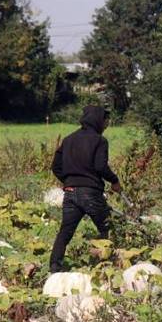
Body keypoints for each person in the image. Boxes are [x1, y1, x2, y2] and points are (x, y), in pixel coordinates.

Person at [49, 106, 121, 272]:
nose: (107, 124)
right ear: (98, 120)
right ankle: (111, 266)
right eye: (106, 120)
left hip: (70, 193)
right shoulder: (99, 141)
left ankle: (54, 266)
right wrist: (114, 181)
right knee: (107, 229)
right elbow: (100, 166)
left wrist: (69, 181)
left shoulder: (68, 140)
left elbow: (56, 167)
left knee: (65, 231)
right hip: (90, 193)